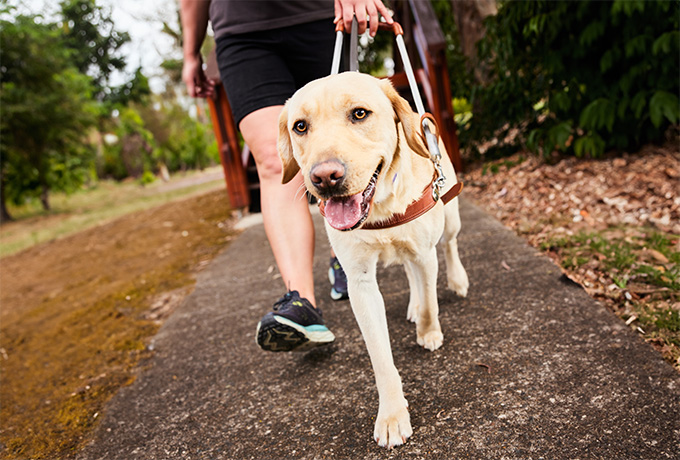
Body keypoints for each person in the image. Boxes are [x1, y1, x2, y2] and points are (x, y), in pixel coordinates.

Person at [180, 0, 392, 352]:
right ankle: (301, 303)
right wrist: (191, 53)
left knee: (340, 147)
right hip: (241, 31)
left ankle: (344, 252)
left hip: (321, 15)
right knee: (275, 161)